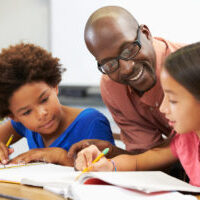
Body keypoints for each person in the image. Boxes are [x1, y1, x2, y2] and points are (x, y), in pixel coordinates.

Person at [75, 42, 200, 186]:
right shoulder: (186, 139)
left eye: (172, 100)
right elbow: (137, 162)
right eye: (164, 96)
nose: (163, 108)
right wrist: (109, 166)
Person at [68, 6, 184, 158]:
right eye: (109, 64)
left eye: (129, 50)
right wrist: (112, 152)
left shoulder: (190, 69)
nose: (127, 68)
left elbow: (189, 143)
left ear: (146, 34)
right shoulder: (112, 87)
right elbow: (147, 158)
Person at [0, 43, 114, 166]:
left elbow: (106, 170)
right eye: (27, 112)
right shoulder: (22, 124)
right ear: (14, 116)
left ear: (54, 86)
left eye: (44, 100)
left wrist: (60, 156)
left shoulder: (91, 122)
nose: (42, 113)